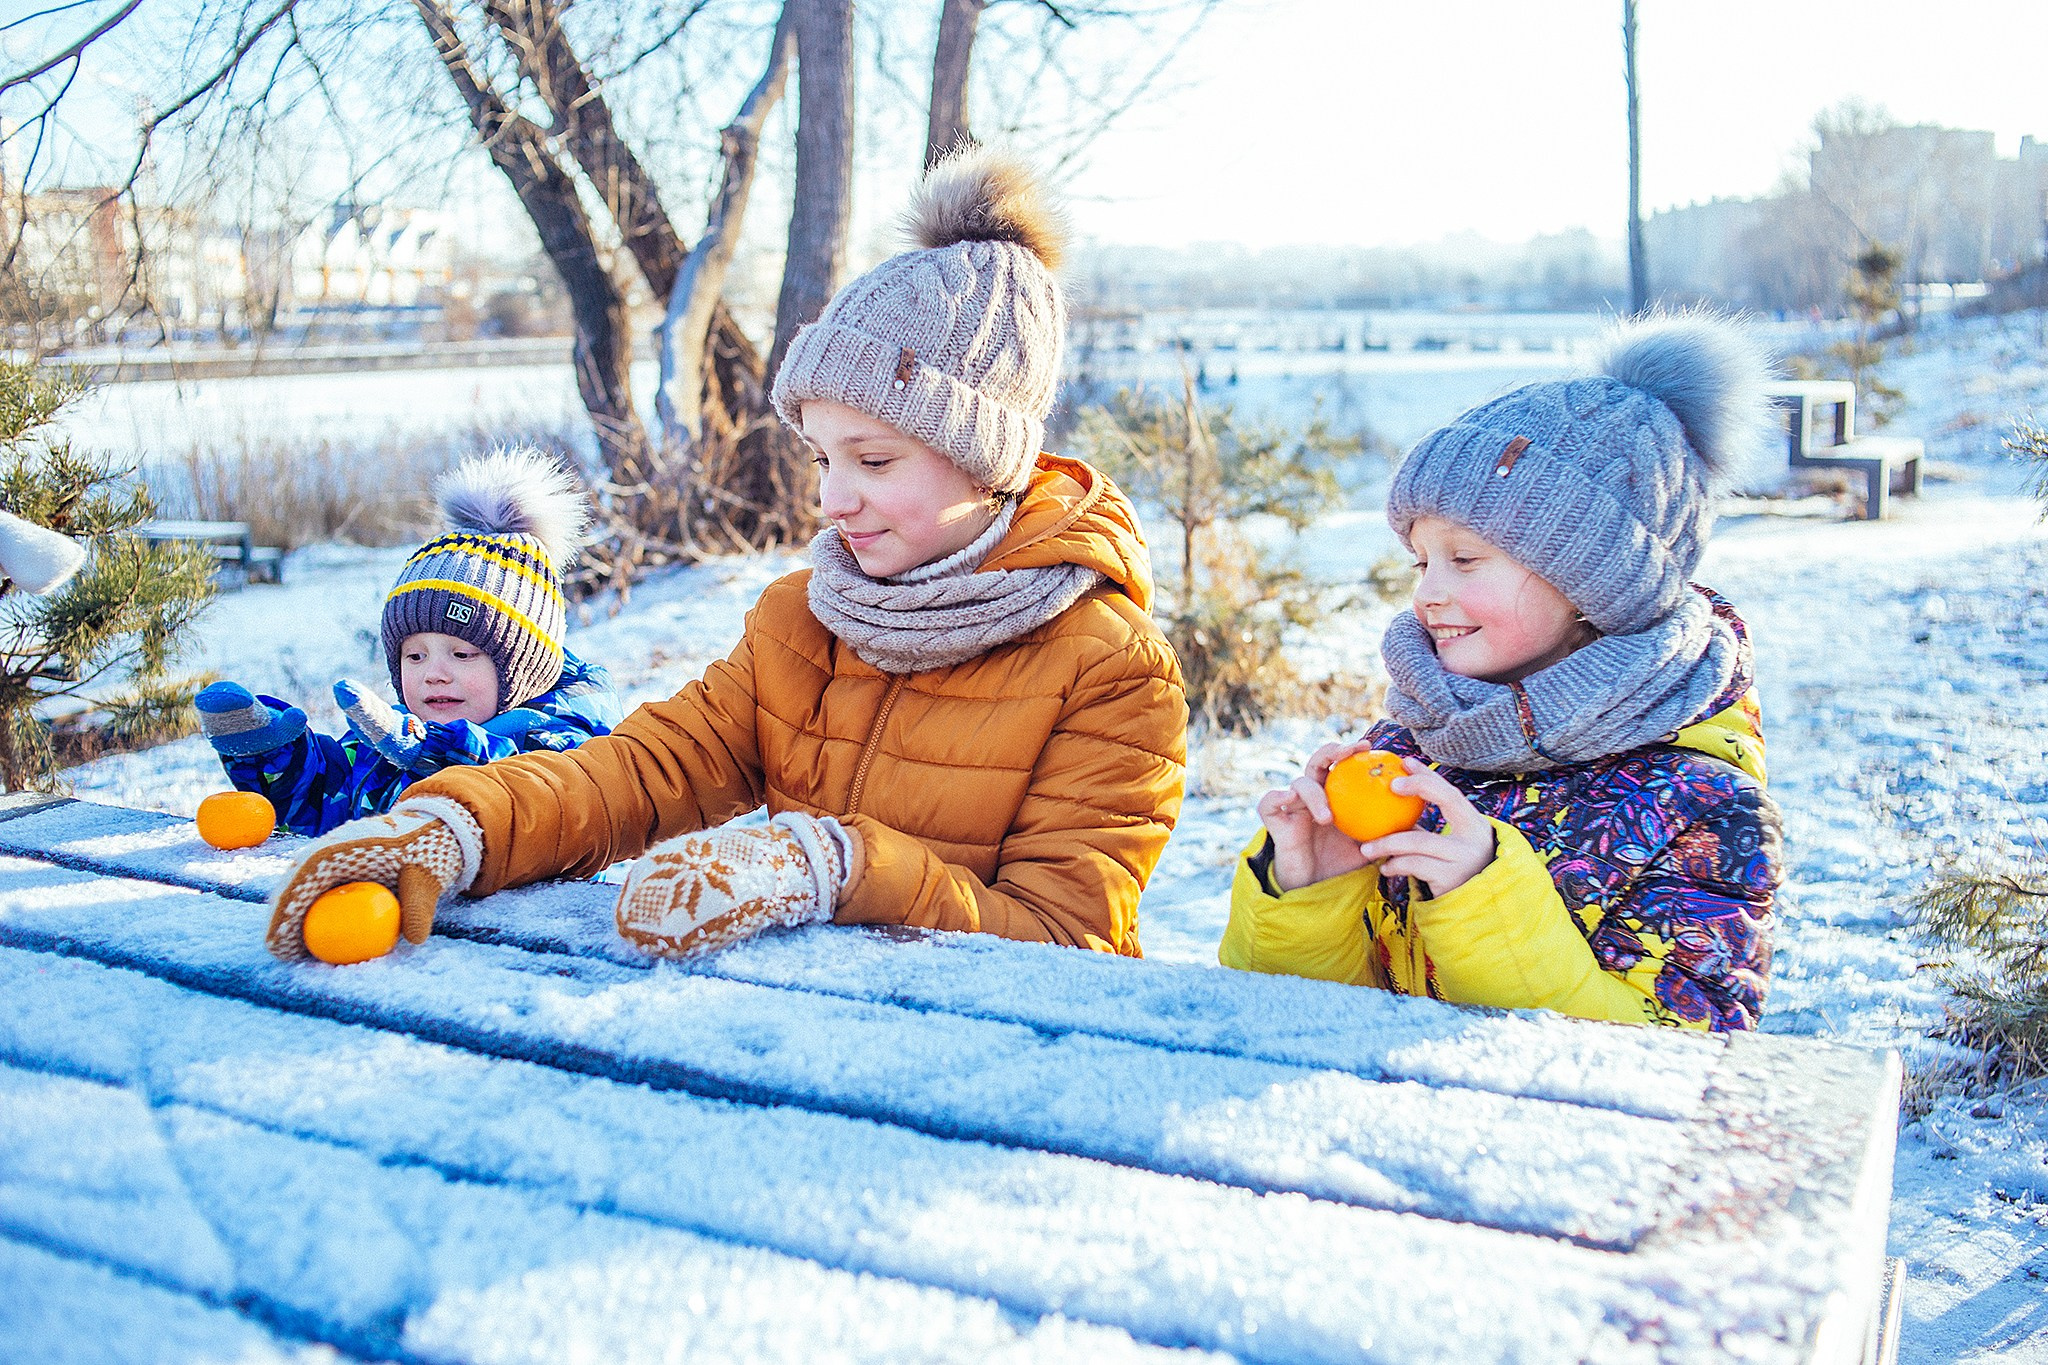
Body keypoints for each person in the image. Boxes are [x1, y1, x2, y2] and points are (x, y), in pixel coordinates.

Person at [257, 146, 1188, 964]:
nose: (831, 500)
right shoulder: (802, 621)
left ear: (988, 460)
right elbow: (640, 771)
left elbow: (1072, 942)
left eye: (873, 459)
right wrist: (459, 826)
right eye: (823, 457)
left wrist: (837, 866)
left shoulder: (1111, 670)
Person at [1220, 316, 1781, 1031]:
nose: (1425, 593)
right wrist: (1310, 888)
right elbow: (1290, 1032)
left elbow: (1685, 1061)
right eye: (1421, 561)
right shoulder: (1412, 742)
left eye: (1466, 559)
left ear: (1591, 579)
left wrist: (1483, 896)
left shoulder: (1702, 808)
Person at [196, 447, 621, 838]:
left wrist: (435, 755)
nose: (434, 674)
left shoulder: (567, 752)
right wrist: (274, 758)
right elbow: (325, 808)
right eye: (414, 655)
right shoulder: (389, 739)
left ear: (527, 668)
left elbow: (527, 813)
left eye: (462, 654)